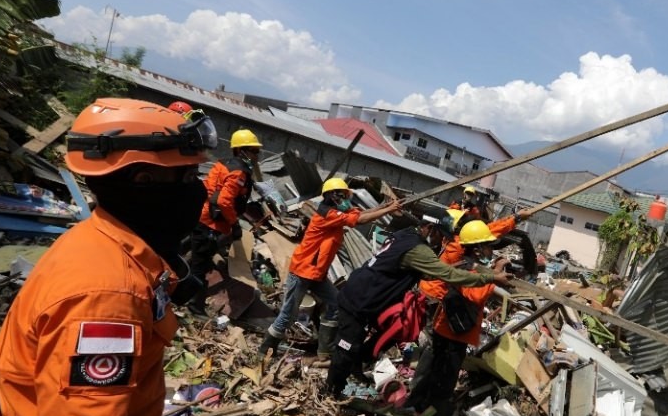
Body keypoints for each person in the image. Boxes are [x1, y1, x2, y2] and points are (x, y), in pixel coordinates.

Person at [0, 98, 213, 416]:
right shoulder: (109, 294)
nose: (198, 190)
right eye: (187, 177)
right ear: (144, 180)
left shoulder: (99, 241)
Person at [325, 214, 512, 398]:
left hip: (371, 297)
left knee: (397, 328)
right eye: (441, 235)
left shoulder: (406, 235)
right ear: (430, 229)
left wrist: (449, 270)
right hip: (360, 299)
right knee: (346, 347)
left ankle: (358, 362)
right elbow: (448, 276)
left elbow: (427, 273)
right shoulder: (418, 249)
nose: (442, 242)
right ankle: (332, 392)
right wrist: (492, 277)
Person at [259, 178, 401, 356]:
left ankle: (325, 351)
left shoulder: (336, 211)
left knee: (335, 303)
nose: (346, 199)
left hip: (316, 274)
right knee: (288, 315)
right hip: (303, 271)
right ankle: (265, 349)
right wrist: (389, 209)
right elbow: (360, 220)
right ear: (333, 196)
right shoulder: (327, 215)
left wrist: (386, 206)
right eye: (343, 196)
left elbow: (360, 214)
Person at [406, 220, 509, 416]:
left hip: (446, 327)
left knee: (431, 372)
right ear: (478, 248)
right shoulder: (469, 269)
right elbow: (475, 296)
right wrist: (494, 275)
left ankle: (415, 405)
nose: (490, 250)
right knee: (444, 378)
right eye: (487, 246)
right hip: (454, 333)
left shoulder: (468, 264)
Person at [185, 128, 262, 315]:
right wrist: (234, 224)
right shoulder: (238, 173)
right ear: (241, 150)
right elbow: (223, 201)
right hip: (212, 224)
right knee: (200, 265)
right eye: (254, 151)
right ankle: (194, 304)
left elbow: (209, 189)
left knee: (192, 254)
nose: (256, 155)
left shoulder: (223, 164)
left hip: (203, 217)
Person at [419, 207, 532, 300]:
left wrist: (515, 217)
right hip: (435, 294)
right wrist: (516, 218)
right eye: (463, 220)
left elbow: (489, 228)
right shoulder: (456, 245)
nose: (467, 221)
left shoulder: (451, 241)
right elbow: (489, 231)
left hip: (430, 290)